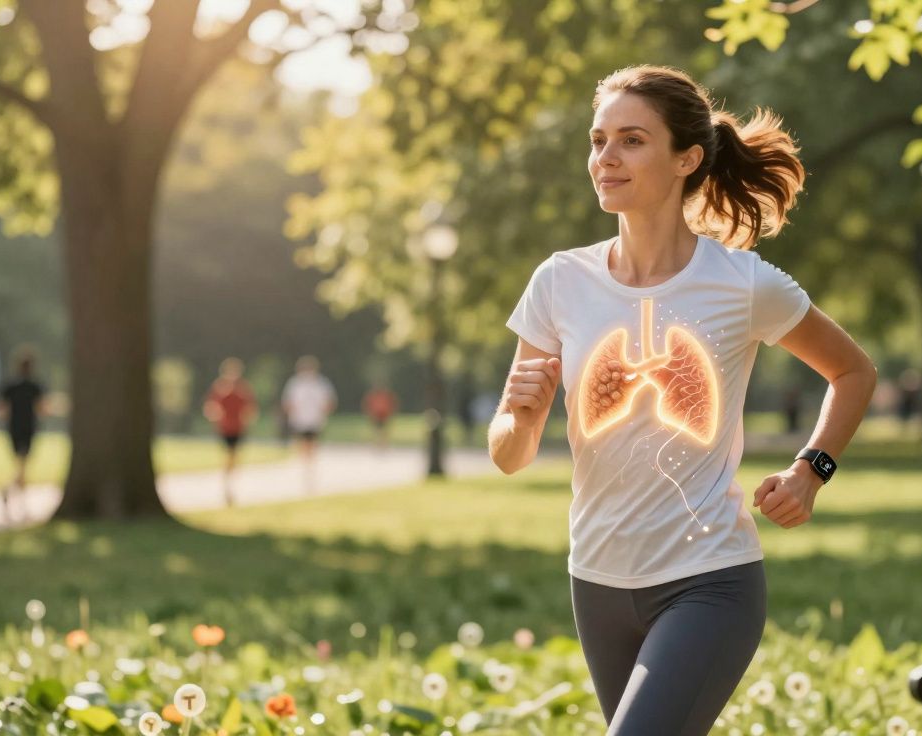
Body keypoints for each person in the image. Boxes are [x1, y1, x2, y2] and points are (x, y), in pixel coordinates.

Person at [488, 66, 878, 734]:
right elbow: (508, 456)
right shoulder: (560, 281)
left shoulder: (742, 283)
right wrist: (520, 417)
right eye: (598, 139)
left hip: (709, 579)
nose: (606, 157)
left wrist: (812, 470)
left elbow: (854, 371)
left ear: (686, 158)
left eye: (632, 140)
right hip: (598, 579)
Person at [0, 349, 46, 522]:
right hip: (28, 429)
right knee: (22, 469)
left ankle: (18, 503)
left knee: (21, 468)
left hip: (13, 430)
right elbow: (42, 409)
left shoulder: (10, 386)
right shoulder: (35, 386)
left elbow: (1, 411)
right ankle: (11, 495)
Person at [203, 358, 258, 506]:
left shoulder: (242, 389)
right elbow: (211, 407)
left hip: (238, 428)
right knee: (229, 457)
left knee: (234, 458)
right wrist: (216, 418)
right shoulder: (220, 388)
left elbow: (250, 409)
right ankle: (227, 486)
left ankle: (229, 484)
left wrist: (246, 420)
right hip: (225, 428)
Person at [281, 355, 336, 493]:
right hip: (300, 421)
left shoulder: (321, 383)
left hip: (315, 420)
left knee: (312, 445)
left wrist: (323, 412)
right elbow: (288, 402)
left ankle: (310, 470)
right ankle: (305, 469)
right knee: (304, 445)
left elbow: (329, 401)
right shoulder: (295, 384)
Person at [361, 382, 398, 448]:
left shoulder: (386, 394)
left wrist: (391, 413)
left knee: (384, 430)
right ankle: (377, 443)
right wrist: (369, 413)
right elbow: (367, 404)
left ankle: (383, 444)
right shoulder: (373, 395)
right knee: (376, 430)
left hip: (385, 415)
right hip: (376, 415)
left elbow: (392, 403)